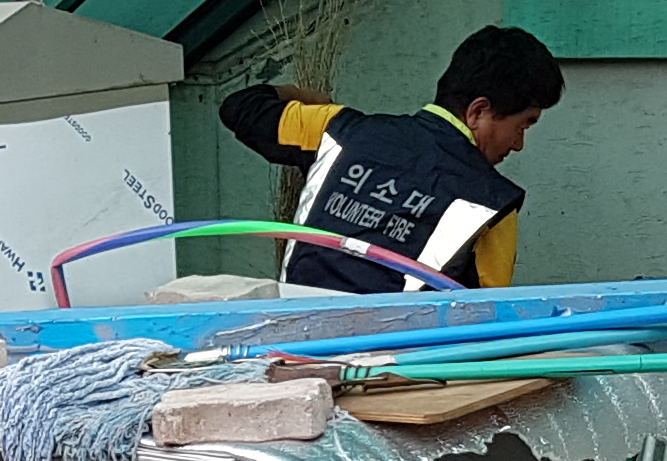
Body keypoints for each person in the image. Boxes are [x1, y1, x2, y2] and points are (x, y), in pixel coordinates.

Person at [217, 23, 563, 295]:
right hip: (396, 359)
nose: (519, 144)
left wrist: (298, 94)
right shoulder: (493, 204)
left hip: (293, 340)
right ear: (478, 111)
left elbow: (241, 108)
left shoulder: (337, 129)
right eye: (523, 125)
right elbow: (485, 317)